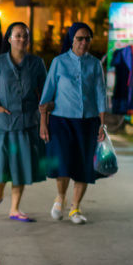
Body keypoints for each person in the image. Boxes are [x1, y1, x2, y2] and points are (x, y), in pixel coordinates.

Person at [39, 23, 108, 225]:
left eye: (87, 38)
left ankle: (75, 208)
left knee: (84, 166)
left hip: (88, 122)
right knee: (63, 163)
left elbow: (101, 95)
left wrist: (102, 124)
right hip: (61, 121)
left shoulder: (95, 64)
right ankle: (60, 197)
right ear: (71, 40)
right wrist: (43, 124)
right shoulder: (59, 63)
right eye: (79, 38)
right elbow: (46, 96)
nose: (84, 42)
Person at [0, 22, 47, 222]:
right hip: (2, 123)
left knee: (21, 166)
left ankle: (15, 208)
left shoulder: (36, 63)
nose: (22, 40)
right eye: (17, 36)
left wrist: (44, 119)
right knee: (2, 164)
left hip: (27, 124)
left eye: (25, 36)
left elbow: (45, 93)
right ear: (9, 39)